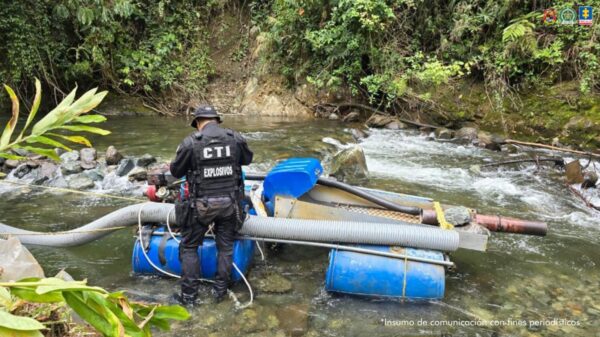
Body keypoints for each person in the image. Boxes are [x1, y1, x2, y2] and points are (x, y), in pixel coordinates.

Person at [170, 104, 253, 305]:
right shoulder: (235, 138)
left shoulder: (191, 143)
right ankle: (219, 292)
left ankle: (189, 297)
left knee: (189, 247)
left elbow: (176, 172)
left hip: (200, 206)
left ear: (198, 123)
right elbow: (248, 160)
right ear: (216, 120)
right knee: (225, 247)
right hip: (229, 205)